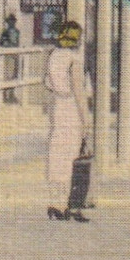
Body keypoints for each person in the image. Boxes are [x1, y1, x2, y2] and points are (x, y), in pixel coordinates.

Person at [44, 20, 91, 222]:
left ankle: (55, 203)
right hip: (72, 108)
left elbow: (46, 83)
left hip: (58, 106)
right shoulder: (74, 59)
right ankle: (72, 204)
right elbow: (79, 91)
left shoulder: (54, 56)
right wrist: (86, 119)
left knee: (57, 154)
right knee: (73, 155)